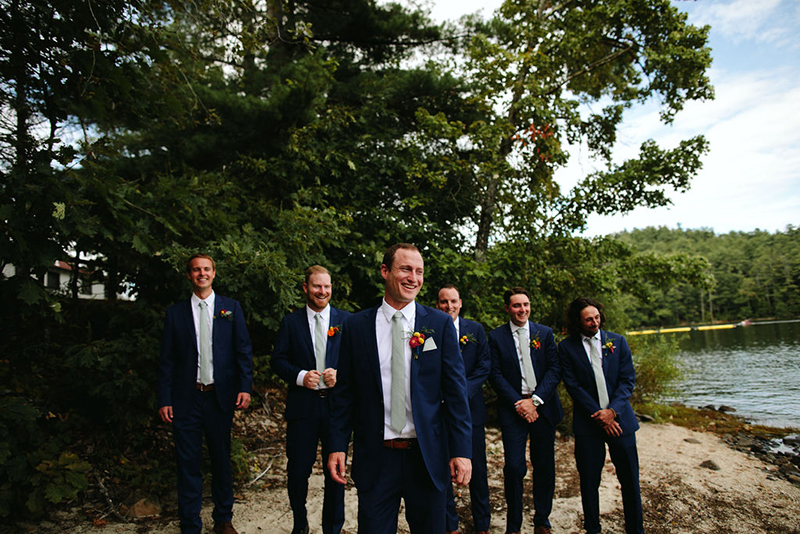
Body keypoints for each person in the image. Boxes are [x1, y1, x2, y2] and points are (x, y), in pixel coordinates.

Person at [327, 243, 473, 533]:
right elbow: (344, 394)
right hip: (376, 457)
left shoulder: (440, 325)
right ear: (385, 271)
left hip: (426, 456)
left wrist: (461, 450)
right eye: (406, 269)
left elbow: (455, 393)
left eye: (419, 272)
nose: (414, 278)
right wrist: (336, 446)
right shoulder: (356, 326)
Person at [157, 254, 254, 534]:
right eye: (196, 270)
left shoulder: (230, 308)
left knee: (221, 460)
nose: (202, 273)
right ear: (189, 275)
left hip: (219, 398)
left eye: (207, 269)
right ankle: (190, 523)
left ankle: (223, 519)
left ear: (214, 273)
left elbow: (243, 351)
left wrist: (245, 387)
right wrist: (164, 398)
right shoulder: (175, 314)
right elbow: (167, 361)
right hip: (186, 398)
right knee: (187, 463)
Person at [271, 266, 351, 534]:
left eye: (327, 286)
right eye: (317, 286)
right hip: (302, 407)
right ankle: (300, 521)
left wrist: (340, 375)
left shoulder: (346, 322)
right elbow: (278, 360)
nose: (323, 291)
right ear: (306, 288)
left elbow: (360, 362)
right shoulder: (290, 322)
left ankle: (333, 528)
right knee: (297, 471)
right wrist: (300, 375)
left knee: (336, 472)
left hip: (336, 408)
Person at [558, 297, 644, 534]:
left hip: (621, 422)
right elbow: (573, 386)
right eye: (588, 319)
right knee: (588, 482)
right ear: (578, 321)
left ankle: (636, 529)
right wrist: (599, 416)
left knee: (630, 482)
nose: (594, 322)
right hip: (588, 425)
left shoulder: (618, 341)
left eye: (596, 317)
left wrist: (612, 412)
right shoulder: (566, 348)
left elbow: (627, 380)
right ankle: (593, 529)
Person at [488, 287, 563, 534]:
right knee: (514, 467)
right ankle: (514, 524)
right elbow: (495, 374)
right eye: (517, 305)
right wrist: (519, 404)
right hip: (514, 408)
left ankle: (542, 520)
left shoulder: (544, 333)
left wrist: (536, 400)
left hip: (542, 407)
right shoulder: (496, 337)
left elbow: (554, 370)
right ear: (508, 308)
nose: (523, 309)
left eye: (526, 304)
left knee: (544, 465)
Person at [436, 284, 492, 534]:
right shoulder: (430, 329)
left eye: (453, 302)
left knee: (477, 468)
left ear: (461, 303)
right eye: (444, 302)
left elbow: (484, 366)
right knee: (442, 469)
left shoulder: (475, 330)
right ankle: (450, 525)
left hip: (471, 410)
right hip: (439, 410)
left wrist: (460, 392)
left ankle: (482, 523)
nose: (449, 306)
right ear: (437, 304)